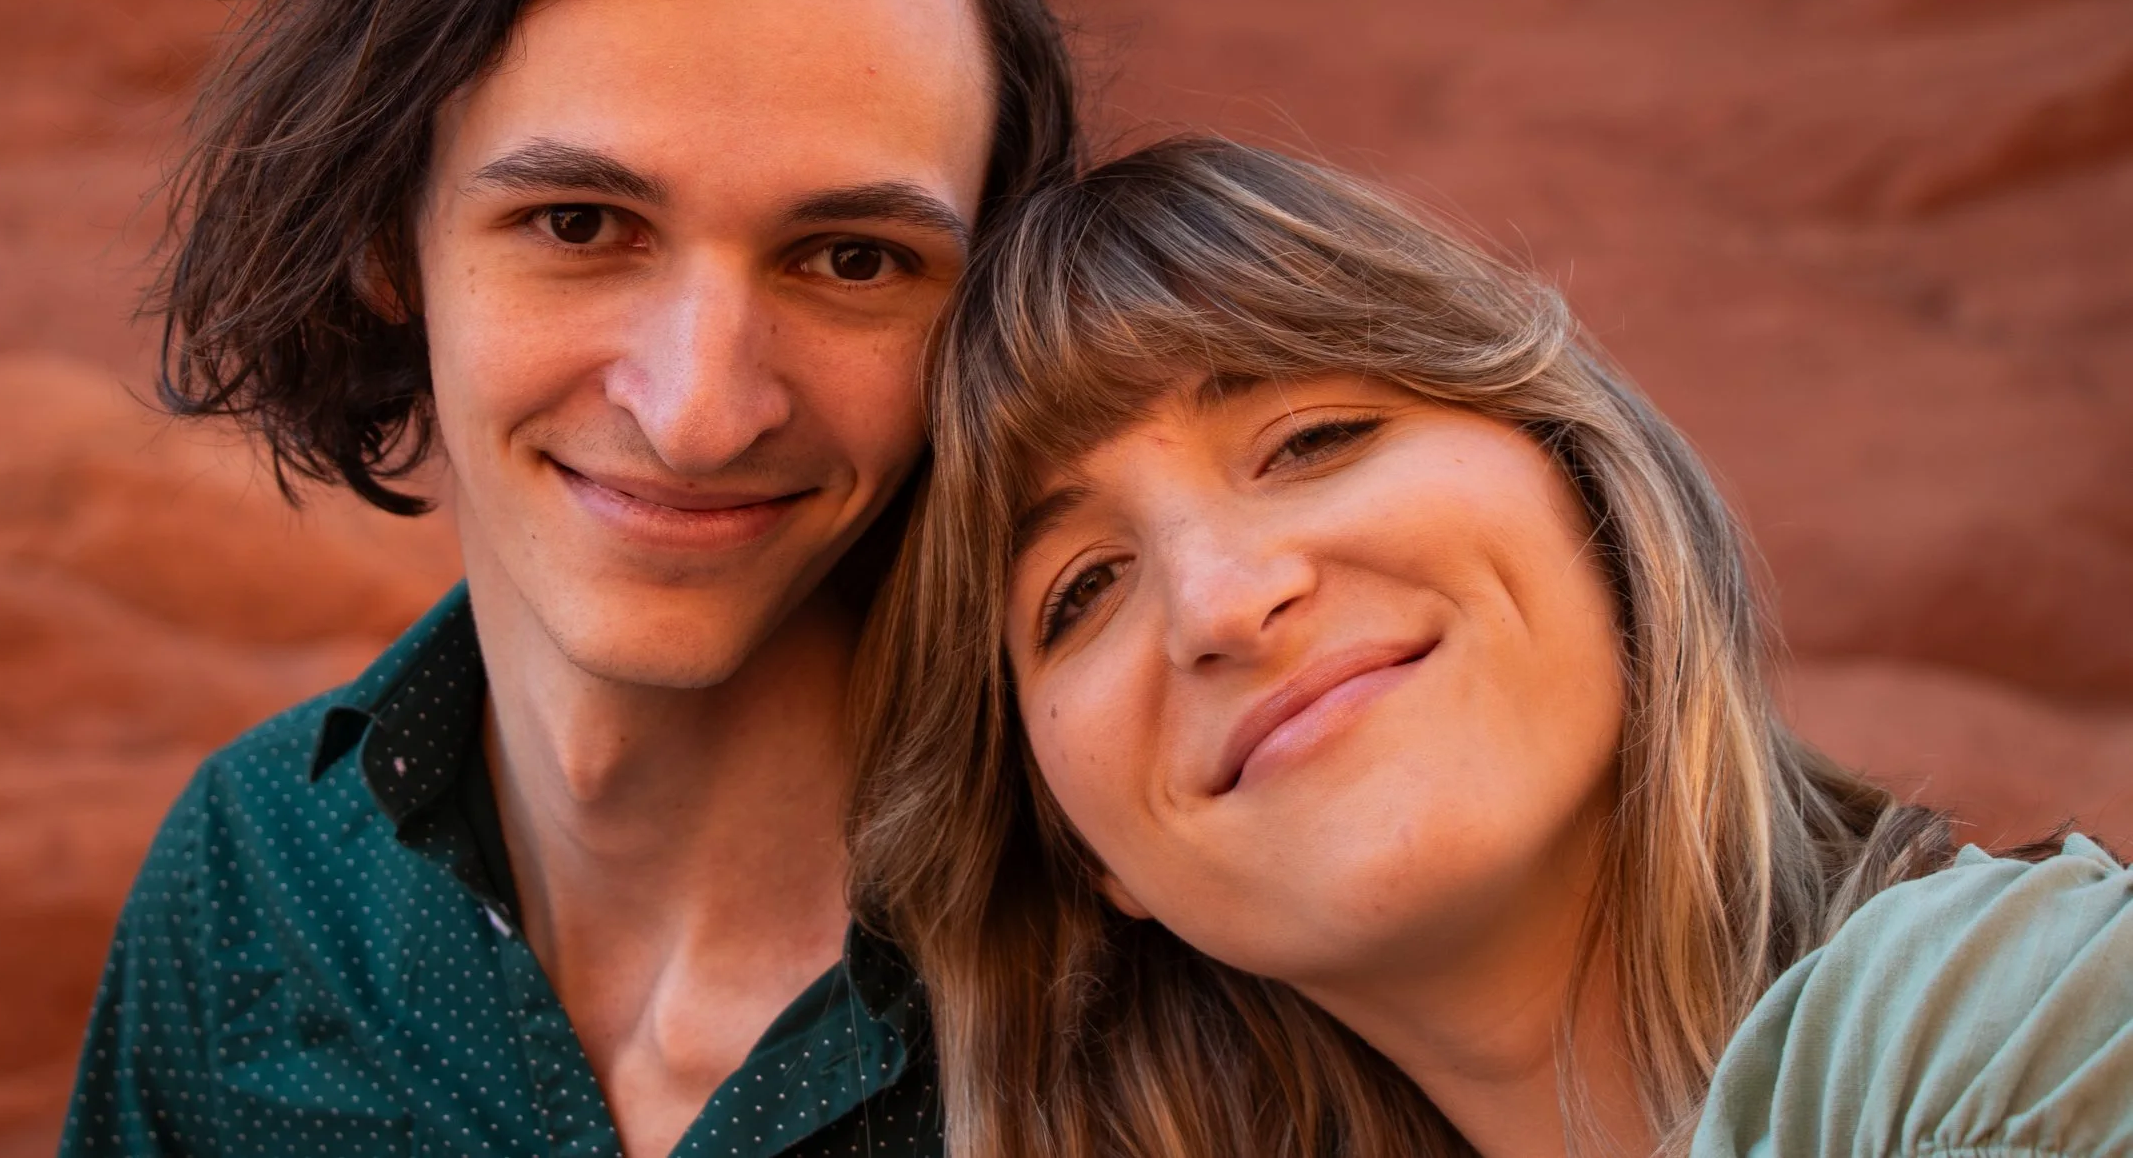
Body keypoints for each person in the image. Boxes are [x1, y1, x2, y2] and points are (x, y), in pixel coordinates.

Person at [60, 0, 1079, 1158]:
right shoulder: (259, 880)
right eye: (581, 222)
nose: (701, 411)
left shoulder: (1155, 929)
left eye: (854, 258)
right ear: (386, 240)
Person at [850, 136, 2133, 1158]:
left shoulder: (2016, 1037)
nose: (1221, 604)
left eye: (1314, 439)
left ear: (1584, 485)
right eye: (1078, 590)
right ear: (1080, 854)